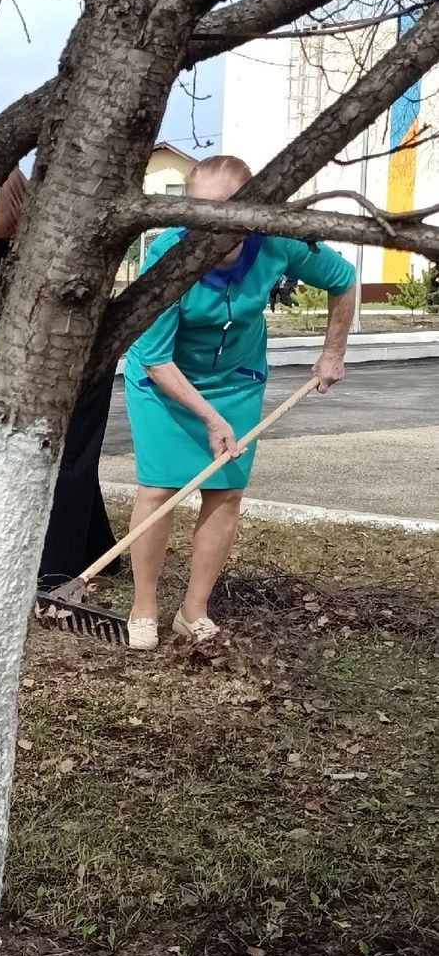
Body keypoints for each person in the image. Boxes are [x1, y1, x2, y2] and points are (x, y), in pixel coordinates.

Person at [124, 154, 355, 648]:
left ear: (252, 207)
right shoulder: (168, 257)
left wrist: (333, 351)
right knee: (160, 490)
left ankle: (193, 610)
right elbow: (155, 358)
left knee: (225, 492)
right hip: (164, 382)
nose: (212, 223)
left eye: (226, 210)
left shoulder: (278, 241)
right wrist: (209, 418)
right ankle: (143, 605)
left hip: (237, 380)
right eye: (200, 211)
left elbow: (343, 278)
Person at [0, 166, 117, 588]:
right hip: (42, 358)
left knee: (68, 454)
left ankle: (55, 571)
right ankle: (98, 549)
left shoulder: (38, 254)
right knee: (73, 455)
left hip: (78, 354)